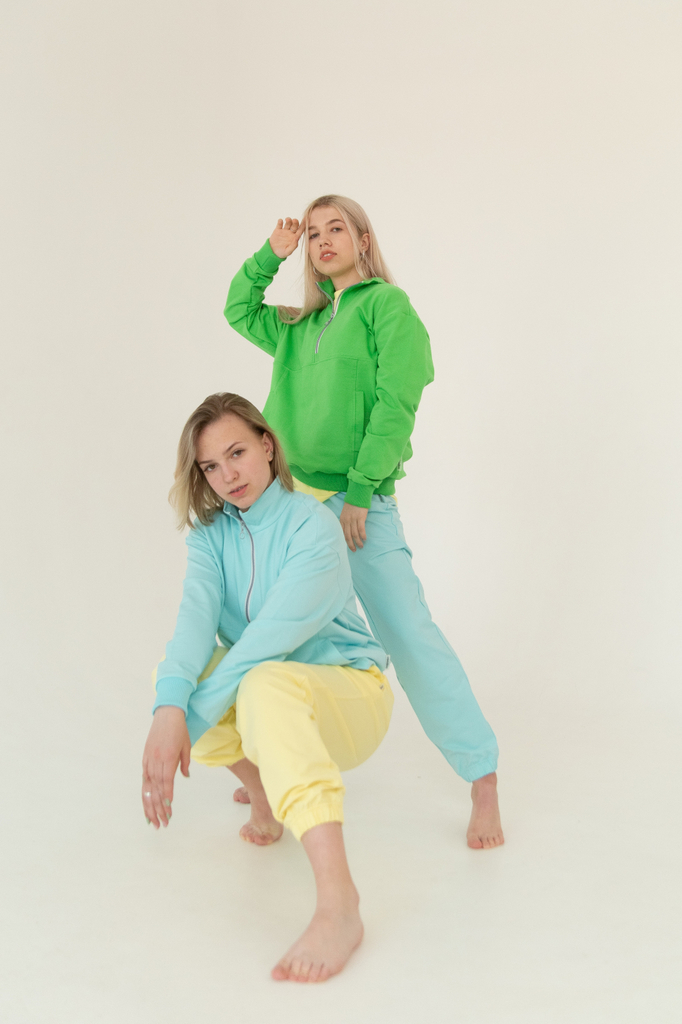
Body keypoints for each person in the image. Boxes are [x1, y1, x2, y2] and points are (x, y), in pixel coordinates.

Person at [224, 195, 504, 849]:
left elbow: (395, 404)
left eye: (336, 229)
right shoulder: (298, 325)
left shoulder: (387, 307)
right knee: (277, 631)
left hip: (358, 506)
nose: (322, 240)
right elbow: (238, 308)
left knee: (407, 631)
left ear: (363, 240)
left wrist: (359, 490)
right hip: (289, 507)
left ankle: (482, 775)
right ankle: (269, 765)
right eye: (312, 233)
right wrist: (270, 253)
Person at [142, 392, 394, 983]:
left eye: (236, 453)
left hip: (350, 695)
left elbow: (265, 642)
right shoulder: (210, 537)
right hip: (268, 691)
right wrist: (168, 710)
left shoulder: (313, 525)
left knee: (256, 684)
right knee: (173, 683)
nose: (227, 476)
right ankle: (264, 796)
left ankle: (339, 905)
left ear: (267, 445)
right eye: (211, 466)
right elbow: (194, 624)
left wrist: (185, 726)